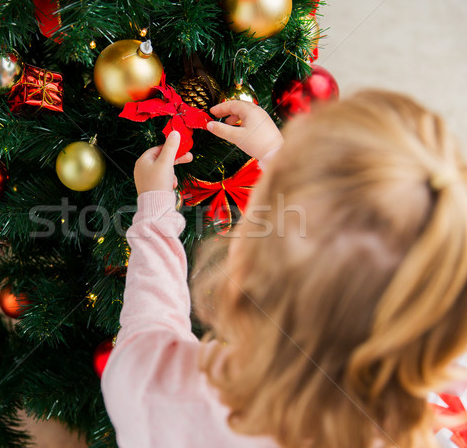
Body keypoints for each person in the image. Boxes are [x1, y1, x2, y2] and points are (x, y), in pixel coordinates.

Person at [101, 91, 467, 448]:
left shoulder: (179, 397)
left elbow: (145, 336)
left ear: (250, 275)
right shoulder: (444, 383)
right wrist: (278, 156)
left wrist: (155, 214)